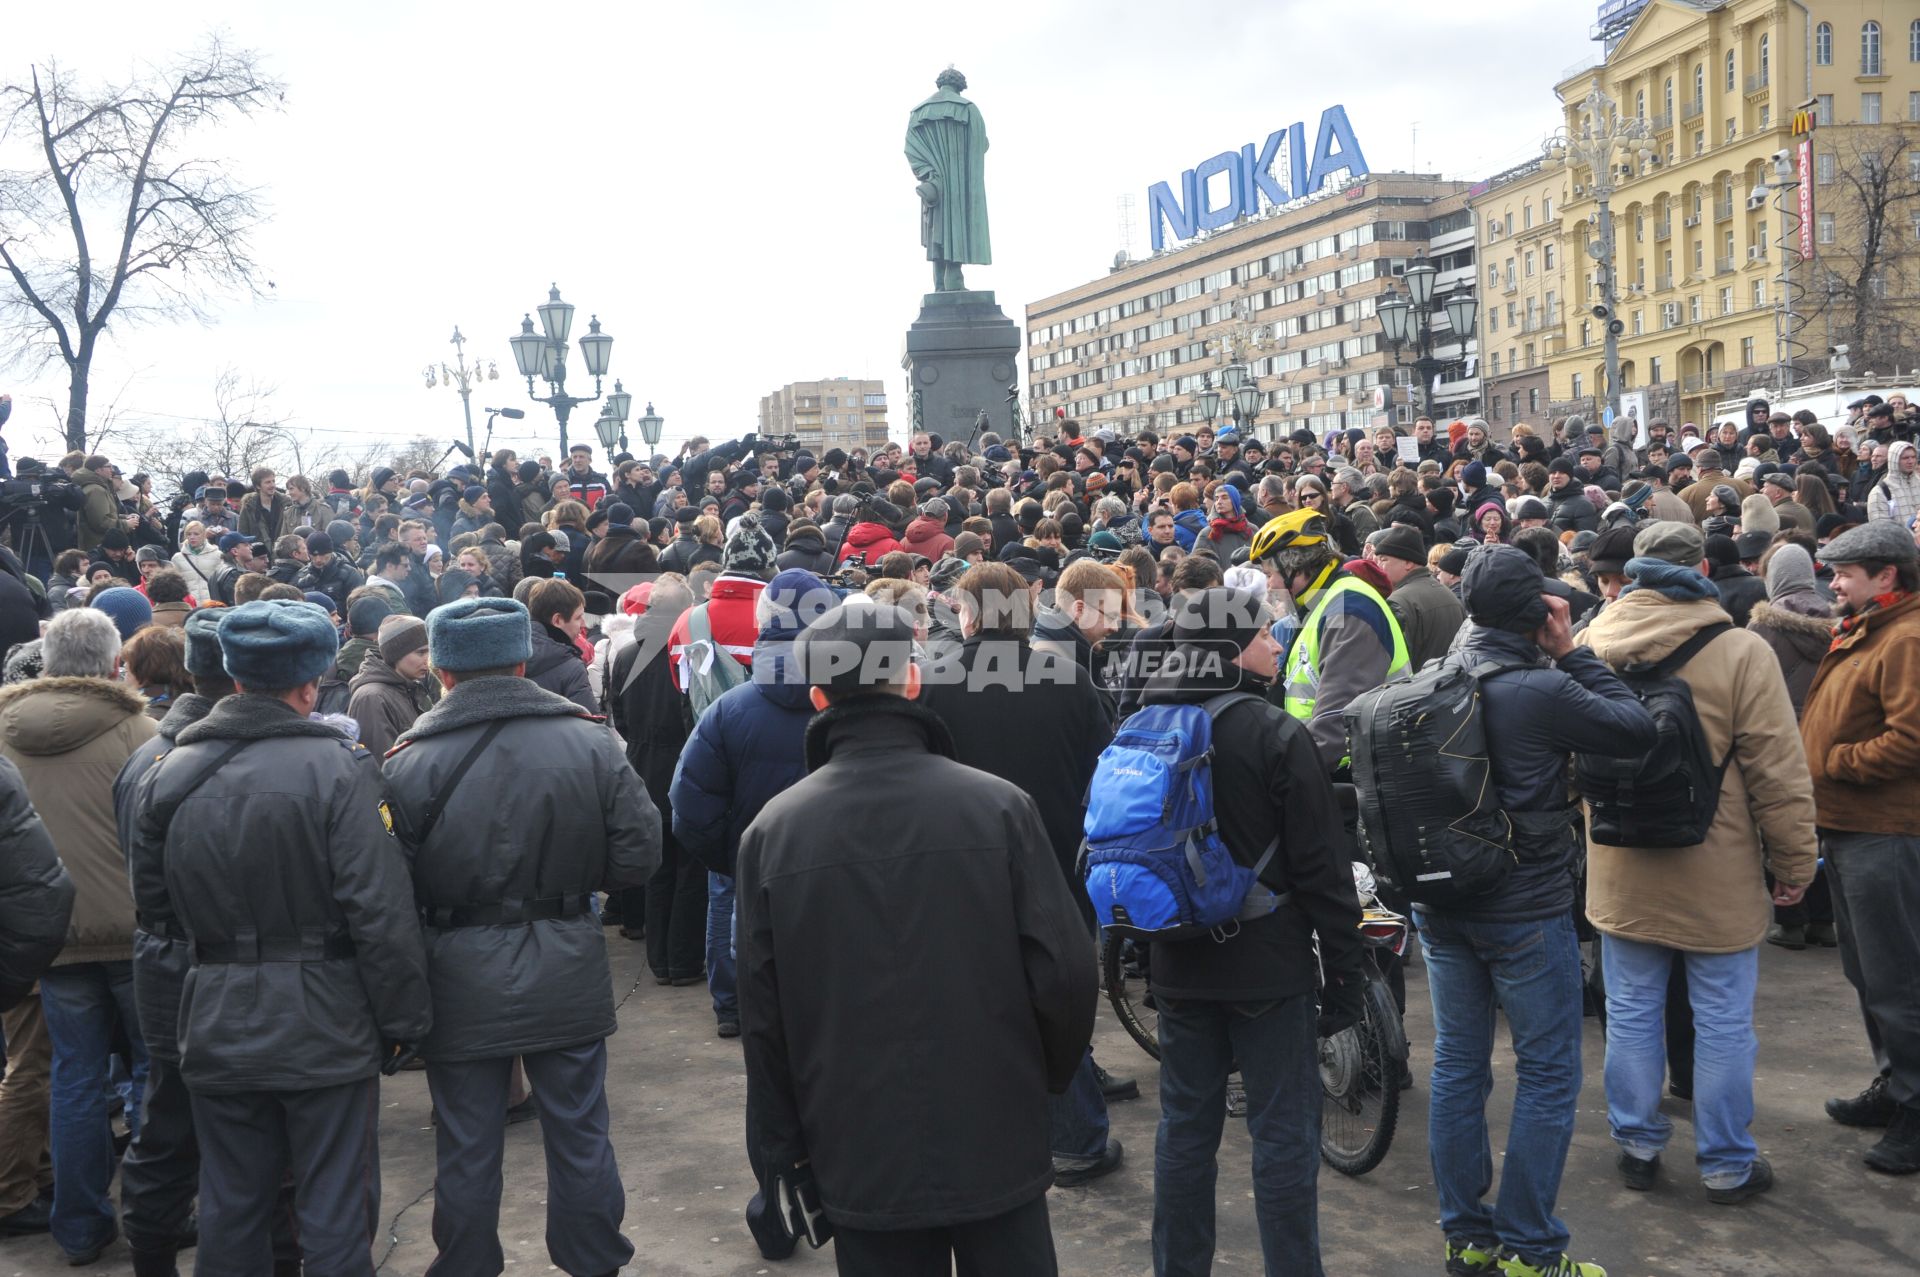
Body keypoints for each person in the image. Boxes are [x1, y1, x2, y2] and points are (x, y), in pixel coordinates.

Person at [735, 594, 1096, 1276]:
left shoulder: (772, 834)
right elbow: (1069, 969)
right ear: (910, 678)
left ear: (818, 698)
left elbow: (763, 1015)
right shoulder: (997, 806)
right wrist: (1035, 1074)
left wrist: (782, 1145)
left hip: (854, 1136)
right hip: (995, 1121)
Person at [125, 599, 431, 1274]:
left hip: (216, 1013)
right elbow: (379, 911)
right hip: (326, 1017)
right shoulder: (342, 769)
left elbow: (155, 912)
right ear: (310, 684)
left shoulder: (167, 772)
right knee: (333, 1206)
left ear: (236, 680)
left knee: (232, 1203)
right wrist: (404, 1019)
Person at [383, 596, 660, 1277]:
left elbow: (388, 886)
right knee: (579, 1127)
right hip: (564, 950)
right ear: (521, 660)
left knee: (468, 1138)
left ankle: (467, 1264)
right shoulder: (590, 740)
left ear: (443, 672)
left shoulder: (406, 762)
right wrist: (576, 889)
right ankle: (594, 1258)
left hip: (456, 967)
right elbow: (640, 851)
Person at [1423, 546, 1657, 1277]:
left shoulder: (1435, 676)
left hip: (1443, 903)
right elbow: (1636, 728)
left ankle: (1467, 1238)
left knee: (1458, 1064)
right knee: (1550, 1072)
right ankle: (1530, 1248)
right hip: (1524, 907)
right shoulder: (1538, 687)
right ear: (1536, 614)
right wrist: (1572, 652)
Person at [1580, 521, 1817, 1202]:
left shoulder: (1595, 643)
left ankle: (1636, 1144)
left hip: (1619, 859)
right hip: (1717, 866)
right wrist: (1795, 863)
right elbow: (1777, 770)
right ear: (1702, 570)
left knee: (1628, 1012)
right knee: (1720, 1019)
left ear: (1636, 572)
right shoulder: (1740, 649)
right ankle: (1726, 1162)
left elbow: (1569, 763)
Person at [1137, 586, 1367, 1277]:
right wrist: (1347, 978)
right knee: (1282, 1137)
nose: (1277, 644)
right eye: (1265, 635)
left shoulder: (1146, 721)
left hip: (1177, 959)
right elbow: (1325, 870)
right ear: (1229, 651)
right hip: (1269, 965)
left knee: (1183, 1130)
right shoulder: (1273, 732)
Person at [919, 562, 1129, 1188]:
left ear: (971, 614)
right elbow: (1105, 768)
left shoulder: (934, 683)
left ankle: (1022, 1130)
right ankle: (1074, 1127)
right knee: (1059, 994)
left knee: (977, 1000)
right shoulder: (1068, 678)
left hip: (963, 870)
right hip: (1059, 861)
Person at [0, 607, 157, 1263]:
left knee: (73, 1077)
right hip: (133, 929)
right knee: (151, 1073)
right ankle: (156, 1212)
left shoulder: (4, 733)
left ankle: (80, 1223)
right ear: (113, 660)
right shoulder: (136, 728)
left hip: (51, 935)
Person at [1799, 522, 1920, 1174]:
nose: (1834, 583)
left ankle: (1916, 1110)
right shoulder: (1873, 628)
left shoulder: (1907, 639)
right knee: (1868, 973)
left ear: (1888, 577)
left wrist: (1835, 760)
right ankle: (1894, 1083)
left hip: (1888, 833)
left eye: (1845, 573)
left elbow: (1911, 738)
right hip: (1850, 828)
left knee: (1899, 980)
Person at [669, 570, 825, 1044]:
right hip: (824, 860)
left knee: (725, 907)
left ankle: (733, 1005)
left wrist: (730, 854)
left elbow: (689, 799)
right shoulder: (845, 705)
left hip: (744, 854)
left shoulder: (728, 710)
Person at [607, 577, 706, 984]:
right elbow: (694, 715)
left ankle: (661, 960)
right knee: (689, 871)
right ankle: (681, 961)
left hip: (642, 767)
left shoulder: (626, 654)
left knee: (659, 871)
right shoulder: (688, 656)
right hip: (682, 768)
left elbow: (621, 716)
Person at [1260, 509, 1409, 771]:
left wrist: (1283, 775)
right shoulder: (1322, 602)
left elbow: (1336, 722)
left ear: (1294, 566)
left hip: (1349, 772)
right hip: (1328, 765)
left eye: (1270, 574)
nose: (1269, 585)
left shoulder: (1348, 608)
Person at [0, 754, 74, 1241]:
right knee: (33, 1067)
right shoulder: (136, 735)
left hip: (31, 943)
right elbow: (41, 893)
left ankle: (36, 1174)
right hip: (59, 941)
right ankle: (10, 1194)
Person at [1373, 524, 1464, 670]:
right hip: (1449, 684)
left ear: (1408, 563)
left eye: (1384, 560)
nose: (1377, 566)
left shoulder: (1398, 601)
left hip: (1416, 688)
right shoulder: (1449, 595)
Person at [347, 613, 434, 755]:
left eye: (430, 651)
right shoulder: (372, 698)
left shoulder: (409, 686)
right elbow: (382, 765)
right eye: (421, 652)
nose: (428, 659)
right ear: (396, 654)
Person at [522, 577, 598, 713]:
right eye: (578, 617)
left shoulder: (509, 654)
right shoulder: (571, 668)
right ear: (557, 620)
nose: (583, 624)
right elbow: (590, 726)